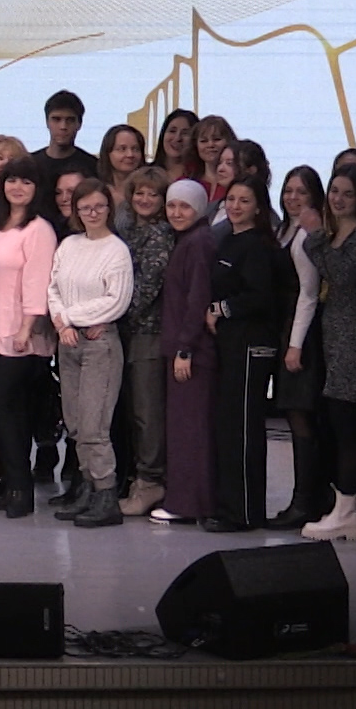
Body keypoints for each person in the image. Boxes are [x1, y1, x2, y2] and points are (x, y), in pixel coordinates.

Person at [300, 163, 356, 543]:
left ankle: (348, 507)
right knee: (349, 422)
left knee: (349, 424)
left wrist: (314, 237)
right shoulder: (337, 234)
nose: (338, 199)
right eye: (334, 191)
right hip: (339, 340)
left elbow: (342, 274)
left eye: (347, 193)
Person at [46, 179, 133, 528]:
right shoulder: (69, 245)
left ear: (109, 208)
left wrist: (70, 317)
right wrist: (62, 324)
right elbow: (53, 289)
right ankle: (86, 488)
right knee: (76, 423)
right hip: (68, 342)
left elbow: (116, 300)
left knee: (95, 426)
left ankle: (106, 495)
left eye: (99, 206)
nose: (92, 213)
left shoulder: (116, 250)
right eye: (85, 208)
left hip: (100, 345)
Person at [0, 157, 58, 519]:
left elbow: (37, 282)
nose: (17, 188)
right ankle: (15, 486)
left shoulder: (39, 229)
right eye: (12, 180)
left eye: (26, 181)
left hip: (21, 334)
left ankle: (21, 487)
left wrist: (26, 329)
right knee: (12, 411)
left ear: (37, 188)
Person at [202, 175, 279, 533]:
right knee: (228, 426)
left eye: (244, 200)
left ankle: (245, 512)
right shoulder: (228, 241)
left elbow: (261, 296)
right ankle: (228, 505)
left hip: (251, 346)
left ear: (259, 207)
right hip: (230, 345)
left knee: (244, 428)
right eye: (230, 199)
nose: (235, 206)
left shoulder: (259, 246)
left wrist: (221, 309)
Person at [150, 180, 217, 525]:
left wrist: (185, 348)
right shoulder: (190, 240)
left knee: (188, 429)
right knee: (184, 427)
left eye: (185, 207)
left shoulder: (198, 243)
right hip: (182, 347)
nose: (176, 213)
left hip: (191, 352)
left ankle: (188, 503)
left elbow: (197, 300)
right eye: (172, 205)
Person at [267, 166, 328, 530]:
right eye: (288, 190)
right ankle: (312, 497)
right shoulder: (284, 229)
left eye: (301, 191)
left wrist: (295, 346)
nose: (292, 197)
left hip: (301, 332)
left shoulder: (305, 235)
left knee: (302, 416)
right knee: (296, 416)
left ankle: (306, 500)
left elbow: (308, 294)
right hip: (285, 328)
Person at [116, 166, 175, 517]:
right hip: (125, 333)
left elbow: (146, 289)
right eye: (140, 192)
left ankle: (151, 481)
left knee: (146, 412)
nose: (145, 199)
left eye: (153, 194)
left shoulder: (160, 235)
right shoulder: (126, 230)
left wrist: (110, 313)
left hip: (148, 334)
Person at [32, 91, 99, 183]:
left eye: (70, 120)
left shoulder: (94, 167)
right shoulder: (29, 164)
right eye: (56, 119)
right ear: (47, 122)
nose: (63, 126)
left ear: (79, 124)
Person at [97, 125, 146, 226]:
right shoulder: (97, 191)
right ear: (108, 153)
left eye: (135, 149)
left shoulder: (150, 192)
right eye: (122, 149)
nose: (130, 154)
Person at [190, 116, 236, 197]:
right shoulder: (187, 182)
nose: (210, 144)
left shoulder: (239, 183)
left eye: (217, 139)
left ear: (229, 141)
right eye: (204, 141)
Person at [153, 108, 200, 182]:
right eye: (172, 131)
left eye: (185, 133)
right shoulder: (146, 173)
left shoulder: (201, 176)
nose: (177, 138)